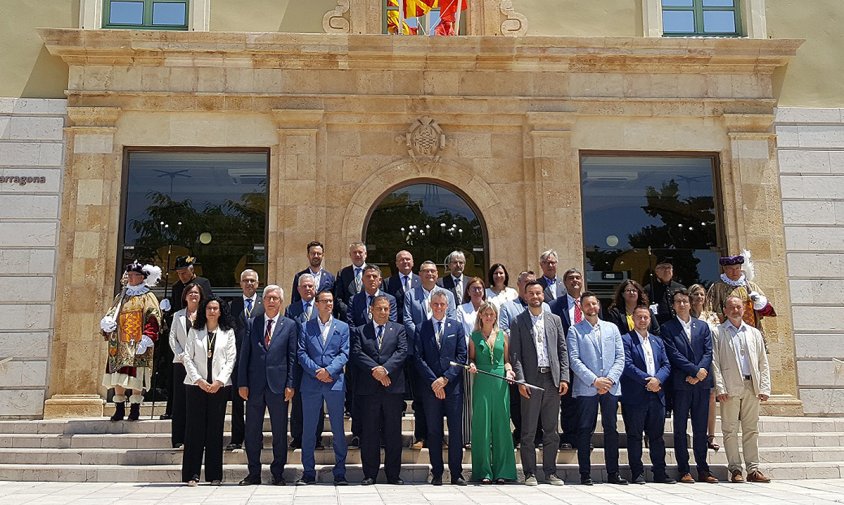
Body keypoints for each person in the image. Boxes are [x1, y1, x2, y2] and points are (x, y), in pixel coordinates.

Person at [509, 281, 569, 486]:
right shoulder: (518, 321)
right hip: (531, 381)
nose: (535, 297)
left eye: (538, 293)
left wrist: (564, 377)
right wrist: (521, 381)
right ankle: (529, 473)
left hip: (552, 380)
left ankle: (550, 472)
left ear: (543, 295)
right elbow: (515, 355)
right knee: (528, 430)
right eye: (531, 294)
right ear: (525, 297)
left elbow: (563, 350)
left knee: (552, 430)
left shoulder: (555, 320)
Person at [237, 285, 297, 486]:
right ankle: (253, 473)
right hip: (254, 386)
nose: (271, 301)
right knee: (252, 431)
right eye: (268, 298)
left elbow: (292, 358)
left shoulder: (289, 325)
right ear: (263, 302)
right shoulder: (252, 323)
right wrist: (242, 382)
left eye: (275, 298)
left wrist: (290, 384)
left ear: (281, 302)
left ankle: (277, 473)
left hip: (278, 386)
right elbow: (244, 355)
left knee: (279, 432)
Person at [567, 291, 627, 486]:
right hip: (587, 388)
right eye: (587, 305)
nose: (591, 307)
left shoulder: (612, 328)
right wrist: (594, 381)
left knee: (611, 429)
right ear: (581, 308)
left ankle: (613, 473)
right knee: (585, 429)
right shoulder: (574, 331)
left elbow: (620, 357)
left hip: (610, 387)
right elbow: (574, 360)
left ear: (598, 306)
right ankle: (585, 474)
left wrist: (609, 379)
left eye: (593, 304)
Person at [712, 295, 772, 484]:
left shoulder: (754, 333)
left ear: (744, 309)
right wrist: (720, 387)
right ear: (725, 311)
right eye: (731, 307)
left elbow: (763, 361)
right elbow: (715, 362)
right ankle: (735, 469)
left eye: (738, 307)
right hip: (729, 387)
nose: (735, 310)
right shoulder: (718, 332)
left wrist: (764, 387)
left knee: (751, 429)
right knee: (729, 430)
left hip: (751, 386)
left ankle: (753, 469)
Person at [661, 288, 719, 484]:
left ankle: (703, 469)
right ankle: (684, 469)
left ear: (690, 303)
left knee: (700, 428)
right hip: (681, 384)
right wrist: (694, 371)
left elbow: (707, 352)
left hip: (701, 384)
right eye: (678, 302)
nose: (682, 304)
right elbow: (673, 354)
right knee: (679, 429)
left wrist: (700, 373)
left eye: (685, 301)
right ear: (674, 305)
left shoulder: (702, 326)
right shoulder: (667, 328)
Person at [351, 295, 408, 485]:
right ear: (371, 310)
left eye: (386, 309)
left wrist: (385, 370)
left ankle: (393, 474)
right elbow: (357, 353)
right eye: (379, 308)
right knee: (369, 433)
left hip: (392, 388)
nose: (383, 312)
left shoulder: (399, 329)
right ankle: (370, 474)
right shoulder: (360, 331)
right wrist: (374, 369)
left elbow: (402, 352)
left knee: (393, 433)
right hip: (369, 389)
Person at [181, 296, 237, 486]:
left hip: (218, 387)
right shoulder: (195, 331)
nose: (212, 311)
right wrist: (199, 380)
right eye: (209, 308)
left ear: (220, 311)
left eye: (215, 308)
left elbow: (231, 359)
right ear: (204, 311)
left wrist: (219, 381)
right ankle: (191, 474)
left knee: (215, 430)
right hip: (196, 386)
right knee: (194, 430)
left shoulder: (228, 333)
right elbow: (187, 357)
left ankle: (214, 475)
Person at [297, 289, 350, 486]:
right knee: (309, 429)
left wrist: (329, 371)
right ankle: (308, 472)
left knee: (337, 428)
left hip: (334, 383)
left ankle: (340, 472)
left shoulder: (342, 327)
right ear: (316, 304)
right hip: (311, 383)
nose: (328, 304)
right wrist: (317, 371)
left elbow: (344, 353)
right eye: (324, 301)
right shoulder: (305, 327)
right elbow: (301, 353)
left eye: (330, 301)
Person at [414, 290, 467, 486]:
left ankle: (456, 473)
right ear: (430, 305)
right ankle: (436, 472)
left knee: (455, 432)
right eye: (435, 304)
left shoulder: (457, 327)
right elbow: (418, 358)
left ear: (447, 306)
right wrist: (434, 381)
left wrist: (445, 379)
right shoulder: (422, 328)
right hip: (430, 389)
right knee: (434, 432)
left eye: (442, 304)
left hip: (452, 388)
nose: (438, 307)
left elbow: (462, 357)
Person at [100, 261, 163, 422]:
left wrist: (148, 337)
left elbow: (153, 316)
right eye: (129, 275)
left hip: (138, 342)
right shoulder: (121, 296)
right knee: (118, 374)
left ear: (142, 277)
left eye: (135, 275)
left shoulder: (147, 296)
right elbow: (112, 313)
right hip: (119, 342)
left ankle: (135, 408)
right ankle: (119, 407)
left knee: (137, 375)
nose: (131, 278)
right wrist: (106, 324)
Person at [403, 260, 456, 449]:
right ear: (420, 274)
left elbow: (453, 319)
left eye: (433, 271)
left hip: (442, 354)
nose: (430, 275)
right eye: (425, 272)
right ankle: (421, 436)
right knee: (420, 398)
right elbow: (407, 319)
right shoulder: (410, 295)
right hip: (418, 352)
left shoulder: (447, 294)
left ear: (437, 273)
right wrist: (423, 336)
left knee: (441, 397)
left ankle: (439, 437)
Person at [620, 306, 675, 485]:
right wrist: (647, 380)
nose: (643, 320)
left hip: (657, 395)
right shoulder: (626, 340)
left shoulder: (658, 341)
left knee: (657, 436)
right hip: (636, 396)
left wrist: (657, 380)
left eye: (646, 317)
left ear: (650, 320)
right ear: (633, 319)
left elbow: (667, 364)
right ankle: (637, 473)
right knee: (635, 436)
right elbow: (627, 365)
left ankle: (660, 472)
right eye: (639, 317)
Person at [346, 264, 397, 446]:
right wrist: (367, 348)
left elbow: (393, 324)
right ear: (363, 279)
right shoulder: (355, 300)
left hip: (386, 358)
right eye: (368, 276)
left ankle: (382, 435)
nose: (371, 279)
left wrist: (382, 364)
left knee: (384, 399)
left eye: (375, 276)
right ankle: (358, 433)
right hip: (362, 358)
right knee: (359, 397)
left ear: (380, 280)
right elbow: (351, 324)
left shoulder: (389, 299)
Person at [467, 302, 517, 484]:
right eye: (486, 314)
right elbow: (471, 358)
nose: (489, 317)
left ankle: (503, 471)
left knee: (501, 425)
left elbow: (507, 361)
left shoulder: (503, 336)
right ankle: (483, 472)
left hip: (499, 381)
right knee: (482, 425)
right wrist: (472, 365)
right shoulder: (473, 337)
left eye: (492, 314)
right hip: (482, 381)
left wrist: (509, 371)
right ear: (480, 316)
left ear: (495, 316)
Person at [499, 270, 549, 448]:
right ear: (519, 285)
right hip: (518, 359)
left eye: (533, 282)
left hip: (542, 363)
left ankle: (539, 434)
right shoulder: (508, 307)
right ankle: (521, 433)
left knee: (541, 400)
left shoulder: (547, 307)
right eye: (526, 282)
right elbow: (504, 332)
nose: (530, 285)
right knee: (518, 401)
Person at [163, 255, 213, 421]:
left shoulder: (203, 283)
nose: (182, 276)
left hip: (199, 332)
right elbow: (177, 309)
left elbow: (210, 303)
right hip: (181, 334)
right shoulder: (177, 287)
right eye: (179, 273)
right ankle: (172, 409)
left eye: (184, 272)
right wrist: (167, 308)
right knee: (176, 378)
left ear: (192, 271)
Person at [284, 273, 324, 451]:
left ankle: (317, 437)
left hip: (318, 363)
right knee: (298, 401)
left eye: (310, 286)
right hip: (298, 363)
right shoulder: (291, 310)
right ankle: (297, 436)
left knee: (317, 400)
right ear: (298, 289)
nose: (308, 289)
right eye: (304, 286)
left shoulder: (322, 308)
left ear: (315, 289)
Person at [548, 267, 584, 450]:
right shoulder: (555, 305)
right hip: (566, 361)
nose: (575, 281)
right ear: (564, 283)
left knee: (585, 401)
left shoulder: (590, 303)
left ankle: (584, 437)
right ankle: (569, 436)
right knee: (569, 401)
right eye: (571, 278)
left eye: (578, 278)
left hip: (587, 361)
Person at [227, 269, 263, 451]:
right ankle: (236, 438)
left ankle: (255, 437)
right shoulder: (232, 305)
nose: (249, 284)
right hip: (238, 359)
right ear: (240, 284)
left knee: (256, 402)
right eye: (245, 281)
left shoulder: (264, 304)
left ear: (257, 284)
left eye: (252, 281)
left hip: (258, 361)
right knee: (237, 401)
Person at [705, 254, 776, 342]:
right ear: (724, 269)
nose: (734, 272)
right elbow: (709, 309)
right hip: (727, 333)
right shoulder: (717, 287)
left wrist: (759, 301)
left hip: (750, 331)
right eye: (731, 269)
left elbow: (768, 310)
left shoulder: (751, 286)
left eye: (737, 268)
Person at [168, 282, 204, 448]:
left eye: (196, 293)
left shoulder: (206, 315)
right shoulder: (178, 316)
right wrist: (182, 355)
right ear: (185, 296)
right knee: (180, 402)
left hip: (200, 365)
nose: (193, 295)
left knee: (197, 402)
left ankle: (197, 438)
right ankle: (178, 438)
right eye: (190, 292)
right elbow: (172, 338)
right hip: (181, 364)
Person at [689, 282, 720, 451]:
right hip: (694, 362)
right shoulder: (687, 316)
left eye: (701, 294)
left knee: (711, 396)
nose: (699, 297)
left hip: (711, 360)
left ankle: (711, 435)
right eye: (696, 294)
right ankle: (697, 434)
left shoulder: (712, 316)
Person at [456, 277, 486, 448]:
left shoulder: (488, 309)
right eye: (473, 288)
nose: (477, 291)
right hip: (469, 357)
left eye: (480, 288)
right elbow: (461, 333)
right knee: (469, 399)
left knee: (485, 399)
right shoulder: (462, 309)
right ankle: (468, 437)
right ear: (468, 291)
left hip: (487, 359)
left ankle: (485, 437)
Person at [382, 250, 420, 325]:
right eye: (402, 260)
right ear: (396, 264)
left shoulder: (421, 281)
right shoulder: (388, 282)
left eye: (408, 259)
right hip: (396, 324)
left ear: (413, 262)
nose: (405, 261)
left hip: (417, 324)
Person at [334, 241, 369, 322]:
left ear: (365, 254)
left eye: (360, 252)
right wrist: (349, 312)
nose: (357, 255)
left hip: (368, 319)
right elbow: (338, 298)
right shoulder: (342, 273)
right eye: (354, 252)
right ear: (350, 255)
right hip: (348, 319)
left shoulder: (372, 272)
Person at [644, 260, 684, 326]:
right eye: (663, 268)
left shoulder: (680, 288)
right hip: (659, 326)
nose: (667, 270)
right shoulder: (648, 289)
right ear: (656, 271)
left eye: (669, 268)